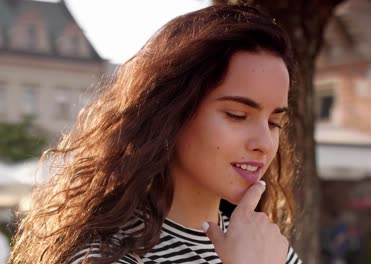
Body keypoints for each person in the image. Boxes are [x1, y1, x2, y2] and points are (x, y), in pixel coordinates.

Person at [10, 4, 302, 264]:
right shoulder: (107, 256)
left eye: (275, 123)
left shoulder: (267, 246)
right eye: (237, 115)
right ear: (172, 112)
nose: (264, 143)